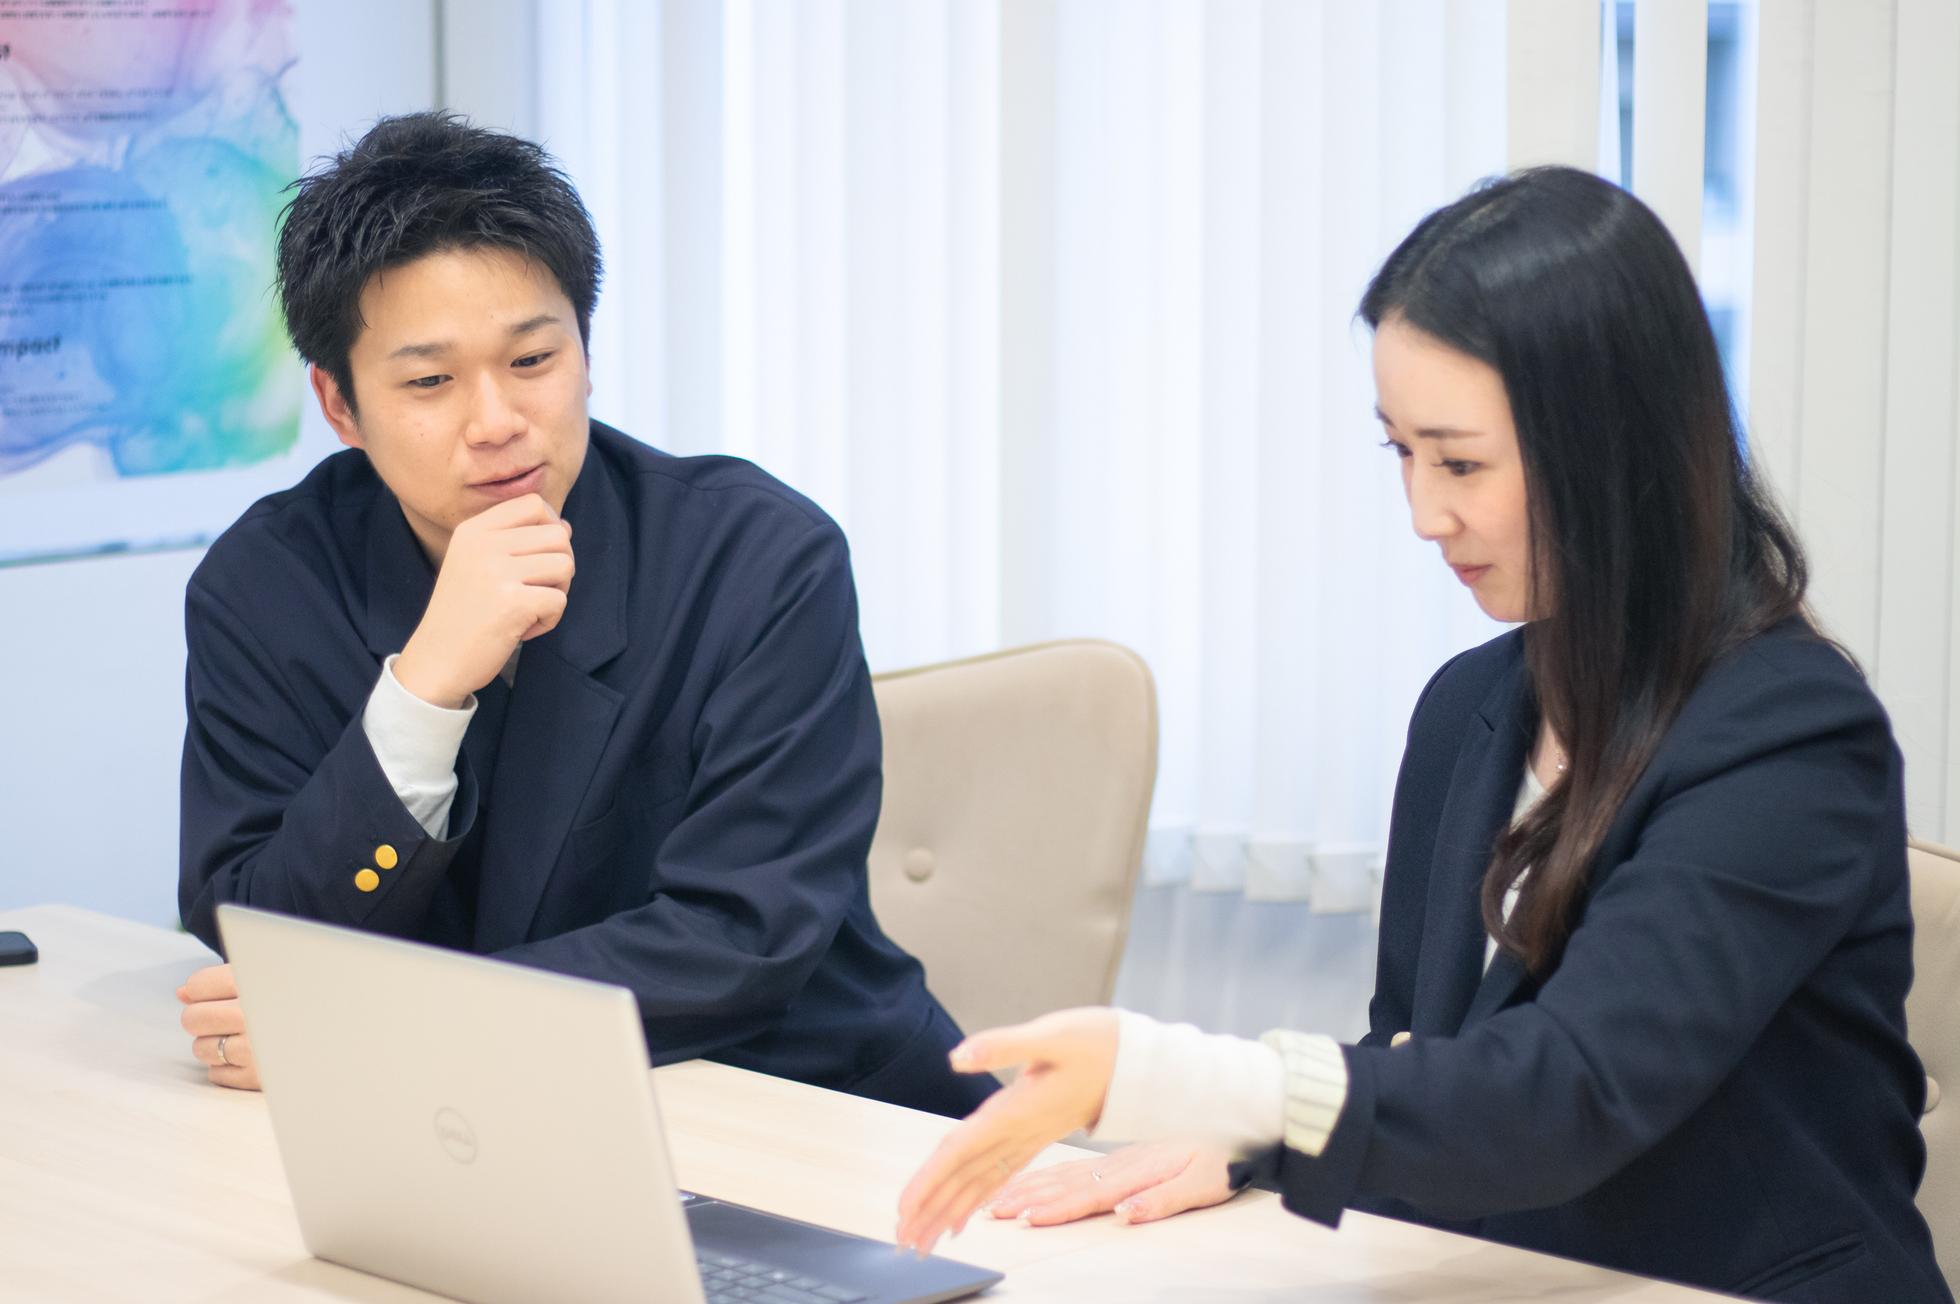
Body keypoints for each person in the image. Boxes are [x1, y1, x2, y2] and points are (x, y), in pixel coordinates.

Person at [895, 167, 1952, 1303]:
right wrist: (1248, 1142)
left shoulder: (1791, 737)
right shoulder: (1470, 708)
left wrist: (1183, 1077)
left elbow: (1565, 1093)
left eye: (1459, 462)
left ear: (1613, 449)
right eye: (1400, 452)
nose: (1423, 514)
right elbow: (1431, 1058)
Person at [173, 111, 993, 1120]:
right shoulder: (267, 582)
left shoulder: (758, 559)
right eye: (429, 381)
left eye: (532, 361)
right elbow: (259, 936)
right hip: (470, 1127)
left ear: (587, 352)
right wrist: (423, 689)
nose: (496, 422)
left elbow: (741, 937)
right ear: (340, 405)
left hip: (803, 1103)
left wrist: (392, 1023)